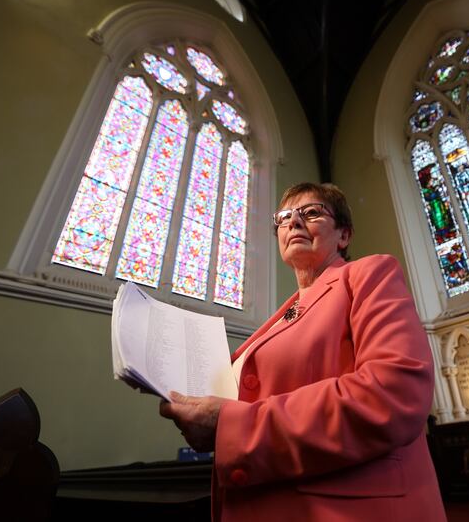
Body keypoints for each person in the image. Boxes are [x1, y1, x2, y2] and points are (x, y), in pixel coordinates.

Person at [160, 182, 446, 521]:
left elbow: (395, 392)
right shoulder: (278, 319)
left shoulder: (368, 274)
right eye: (284, 218)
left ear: (344, 235)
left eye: (311, 213)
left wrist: (233, 426)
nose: (293, 222)